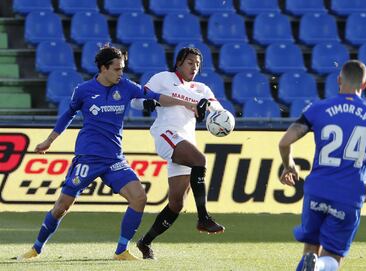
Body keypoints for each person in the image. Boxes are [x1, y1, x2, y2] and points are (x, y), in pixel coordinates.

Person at [16, 45, 198, 261]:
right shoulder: (83, 90)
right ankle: (36, 248)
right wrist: (49, 140)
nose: (121, 73)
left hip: (114, 160)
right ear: (103, 69)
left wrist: (189, 103)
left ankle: (121, 250)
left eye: (123, 69)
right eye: (117, 69)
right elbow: (68, 115)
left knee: (139, 198)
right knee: (62, 207)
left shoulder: (127, 86)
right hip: (88, 158)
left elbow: (157, 96)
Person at [278, 60, 366, 271]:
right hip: (349, 195)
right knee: (332, 256)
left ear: (339, 80)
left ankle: (313, 263)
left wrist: (289, 166)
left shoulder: (318, 108)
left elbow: (285, 142)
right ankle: (320, 265)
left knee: (309, 249)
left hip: (317, 190)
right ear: (365, 85)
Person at [130, 47, 225, 260]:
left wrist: (219, 117)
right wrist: (150, 101)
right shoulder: (163, 78)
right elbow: (136, 101)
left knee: (176, 204)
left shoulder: (202, 89)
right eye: (190, 62)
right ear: (179, 62)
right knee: (200, 160)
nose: (195, 67)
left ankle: (145, 242)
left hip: (185, 142)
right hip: (167, 135)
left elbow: (218, 111)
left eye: (198, 64)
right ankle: (203, 217)